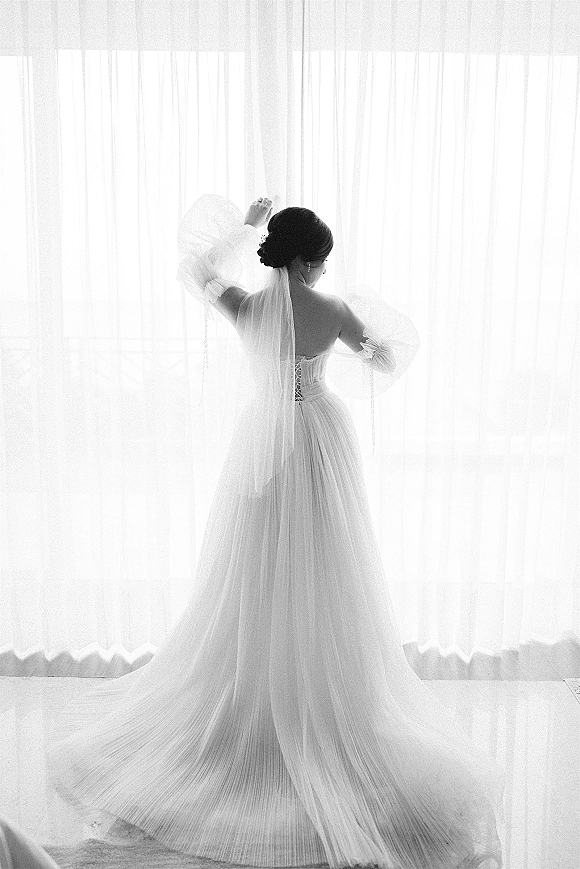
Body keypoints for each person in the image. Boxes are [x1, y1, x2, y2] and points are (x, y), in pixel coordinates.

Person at [45, 194, 506, 869]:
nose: (324, 269)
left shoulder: (247, 307)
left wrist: (246, 227)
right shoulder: (334, 311)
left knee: (256, 565)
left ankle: (258, 682)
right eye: (321, 259)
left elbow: (198, 273)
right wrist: (372, 328)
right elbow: (382, 359)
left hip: (264, 439)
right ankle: (322, 687)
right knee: (328, 562)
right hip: (318, 436)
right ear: (308, 259)